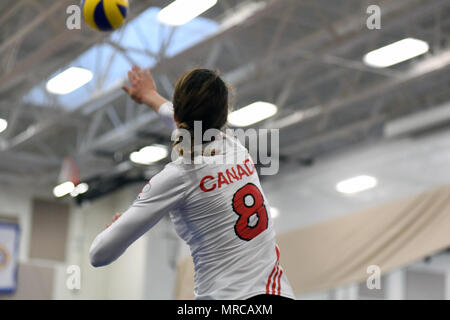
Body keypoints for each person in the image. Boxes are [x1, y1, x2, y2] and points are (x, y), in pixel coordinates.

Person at [89, 66, 295, 300]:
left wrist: (119, 231)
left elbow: (98, 255)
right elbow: (183, 120)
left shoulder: (178, 176)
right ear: (224, 118)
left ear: (179, 117)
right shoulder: (236, 149)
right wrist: (150, 96)